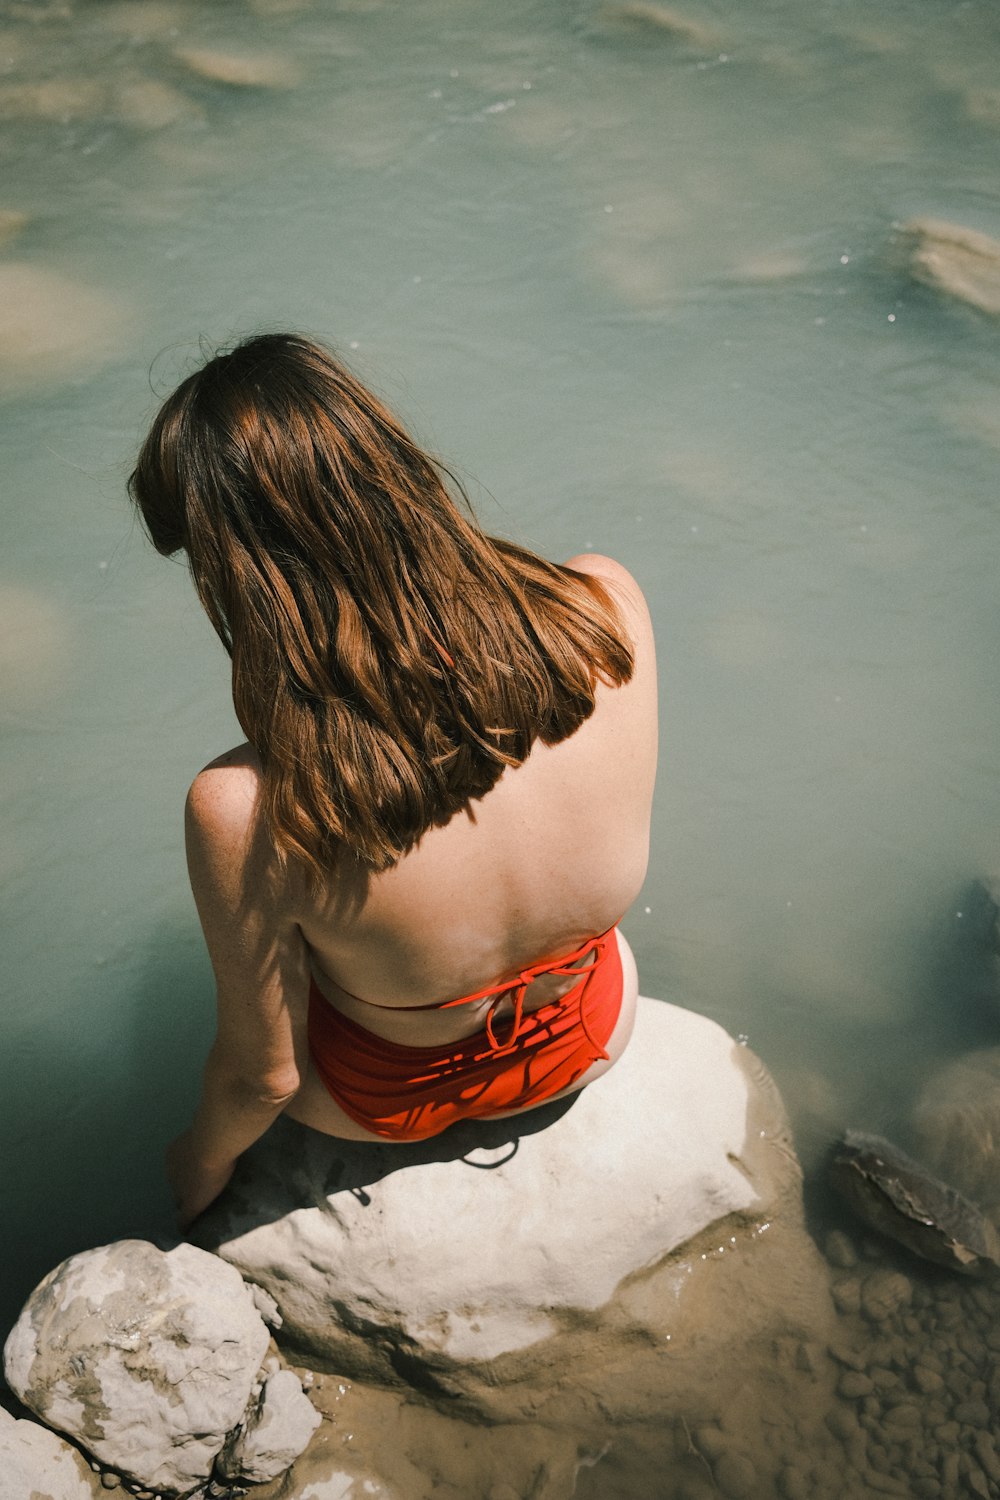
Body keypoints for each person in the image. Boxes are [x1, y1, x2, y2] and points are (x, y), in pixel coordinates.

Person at [129, 333, 658, 1229]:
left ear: (236, 572)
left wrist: (196, 1168)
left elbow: (264, 1075)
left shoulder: (246, 807)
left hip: (383, 1103)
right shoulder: (604, 608)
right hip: (592, 1034)